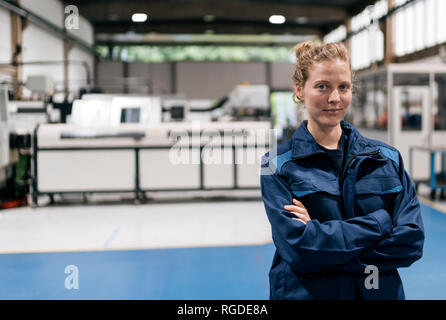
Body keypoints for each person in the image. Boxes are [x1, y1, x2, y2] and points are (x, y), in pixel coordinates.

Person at [260, 41, 424, 300]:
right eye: (322, 86)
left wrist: (321, 239)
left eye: (343, 87)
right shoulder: (277, 164)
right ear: (300, 90)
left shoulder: (387, 159)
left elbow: (411, 242)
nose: (335, 98)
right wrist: (381, 221)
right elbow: (299, 249)